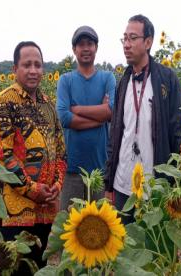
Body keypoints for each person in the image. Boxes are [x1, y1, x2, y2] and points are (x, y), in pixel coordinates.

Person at [0, 41, 67, 274]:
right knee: (17, 267)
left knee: (39, 265)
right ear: (15, 69)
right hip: (16, 211)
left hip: (45, 209)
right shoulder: (5, 102)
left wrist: (56, 185)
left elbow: (61, 149)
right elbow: (2, 156)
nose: (33, 70)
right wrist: (33, 189)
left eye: (38, 65)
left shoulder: (48, 105)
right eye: (27, 65)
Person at [104, 15, 181, 224]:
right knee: (126, 248)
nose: (126, 44)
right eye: (124, 39)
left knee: (154, 247)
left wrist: (180, 180)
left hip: (155, 183)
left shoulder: (166, 79)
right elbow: (115, 134)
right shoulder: (123, 82)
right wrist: (108, 182)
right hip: (123, 182)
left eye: (132, 38)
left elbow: (178, 129)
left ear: (148, 42)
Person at [56, 26, 116, 210]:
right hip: (71, 169)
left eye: (89, 43)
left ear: (96, 47)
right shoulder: (66, 80)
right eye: (81, 44)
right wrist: (100, 116)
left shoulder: (107, 78)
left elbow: (112, 111)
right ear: (74, 50)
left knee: (99, 229)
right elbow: (65, 118)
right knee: (68, 228)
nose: (86, 48)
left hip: (99, 170)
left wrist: (78, 109)